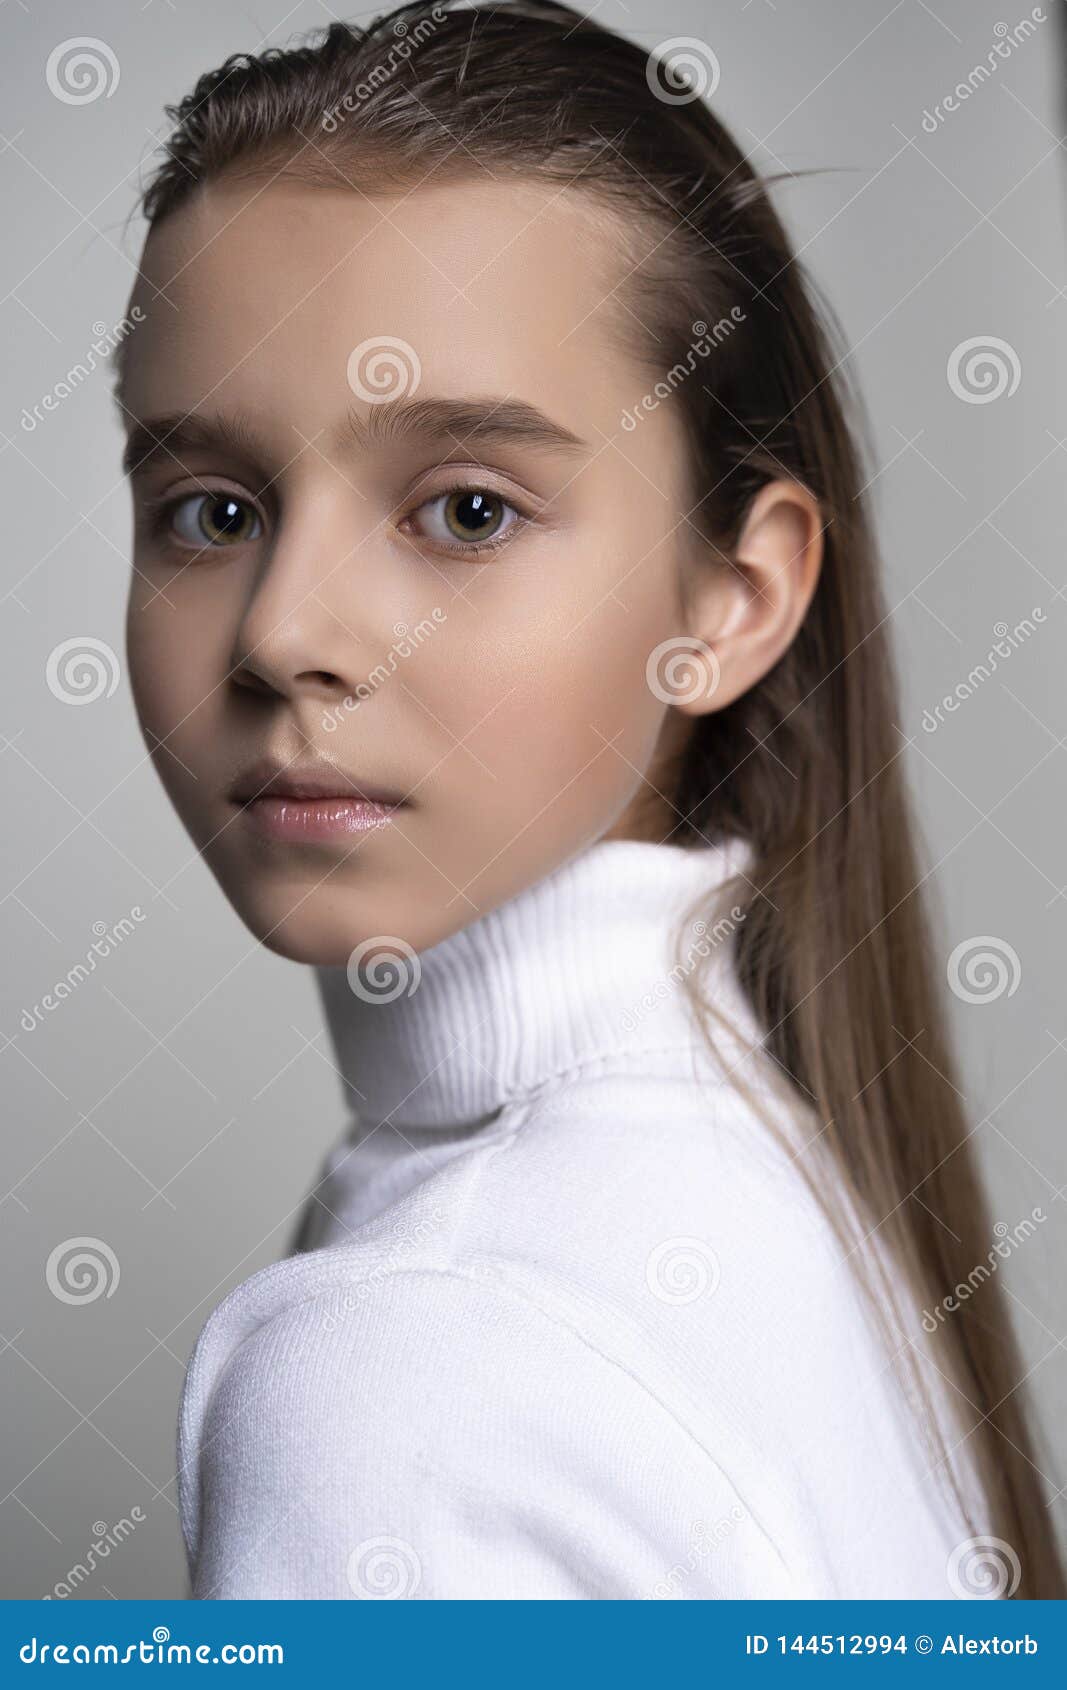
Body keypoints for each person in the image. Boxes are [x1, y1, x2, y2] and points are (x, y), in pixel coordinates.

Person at [115, 0, 1063, 1599]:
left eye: (467, 509)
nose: (285, 634)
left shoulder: (403, 1365)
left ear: (736, 601)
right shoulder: (779, 1156)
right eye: (209, 508)